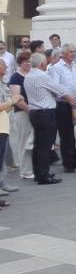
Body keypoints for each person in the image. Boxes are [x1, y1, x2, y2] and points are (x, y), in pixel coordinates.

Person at [25, 52, 76, 185]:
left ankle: (38, 173)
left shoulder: (28, 76)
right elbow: (57, 88)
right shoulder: (42, 76)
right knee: (45, 146)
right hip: (45, 112)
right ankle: (44, 175)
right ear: (42, 64)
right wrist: (69, 97)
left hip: (35, 112)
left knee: (38, 145)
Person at [49, 44, 76, 172]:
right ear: (63, 53)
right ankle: (68, 163)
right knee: (66, 134)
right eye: (70, 52)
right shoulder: (56, 68)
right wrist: (66, 96)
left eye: (74, 52)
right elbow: (54, 87)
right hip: (62, 104)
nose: (73, 54)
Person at [8, 52, 35, 180]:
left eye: (30, 61)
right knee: (24, 142)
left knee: (32, 142)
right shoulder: (15, 77)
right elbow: (17, 99)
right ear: (20, 62)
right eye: (25, 61)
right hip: (23, 113)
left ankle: (33, 167)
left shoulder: (32, 75)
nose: (28, 63)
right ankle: (25, 171)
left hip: (34, 112)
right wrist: (30, 109)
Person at [0, 61, 19, 194]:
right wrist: (12, 101)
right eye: (3, 66)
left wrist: (13, 103)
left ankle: (2, 182)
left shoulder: (2, 83)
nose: (6, 68)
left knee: (2, 158)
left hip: (4, 125)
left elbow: (4, 106)